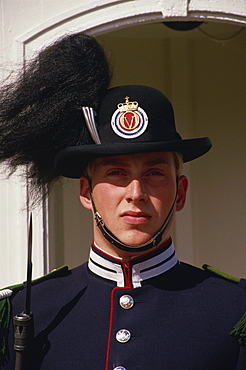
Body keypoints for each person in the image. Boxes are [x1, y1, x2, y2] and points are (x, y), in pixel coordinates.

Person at [0, 33, 245, 370]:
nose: (136, 192)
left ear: (182, 192)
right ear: (86, 192)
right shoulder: (24, 311)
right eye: (116, 173)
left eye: (155, 173)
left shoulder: (235, 311)